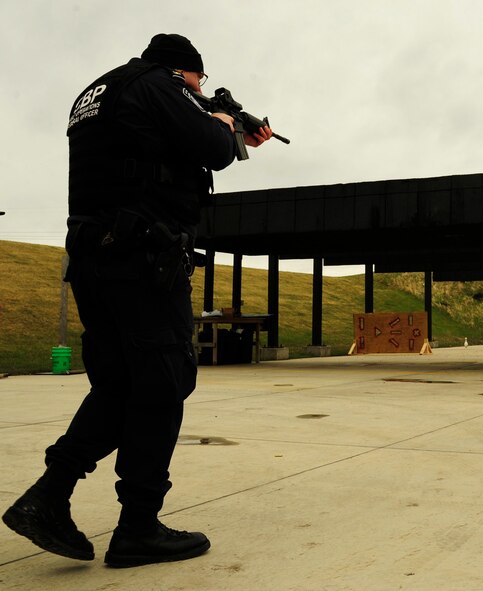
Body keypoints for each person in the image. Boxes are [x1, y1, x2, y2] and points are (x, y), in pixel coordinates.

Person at [2, 33, 272, 568]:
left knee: (122, 383)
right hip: (142, 258)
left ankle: (49, 496)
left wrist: (227, 126)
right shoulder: (159, 85)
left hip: (95, 256)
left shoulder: (100, 91)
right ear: (184, 73)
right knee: (165, 380)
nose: (200, 89)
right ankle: (138, 528)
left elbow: (148, 149)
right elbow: (215, 151)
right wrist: (222, 125)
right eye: (198, 81)